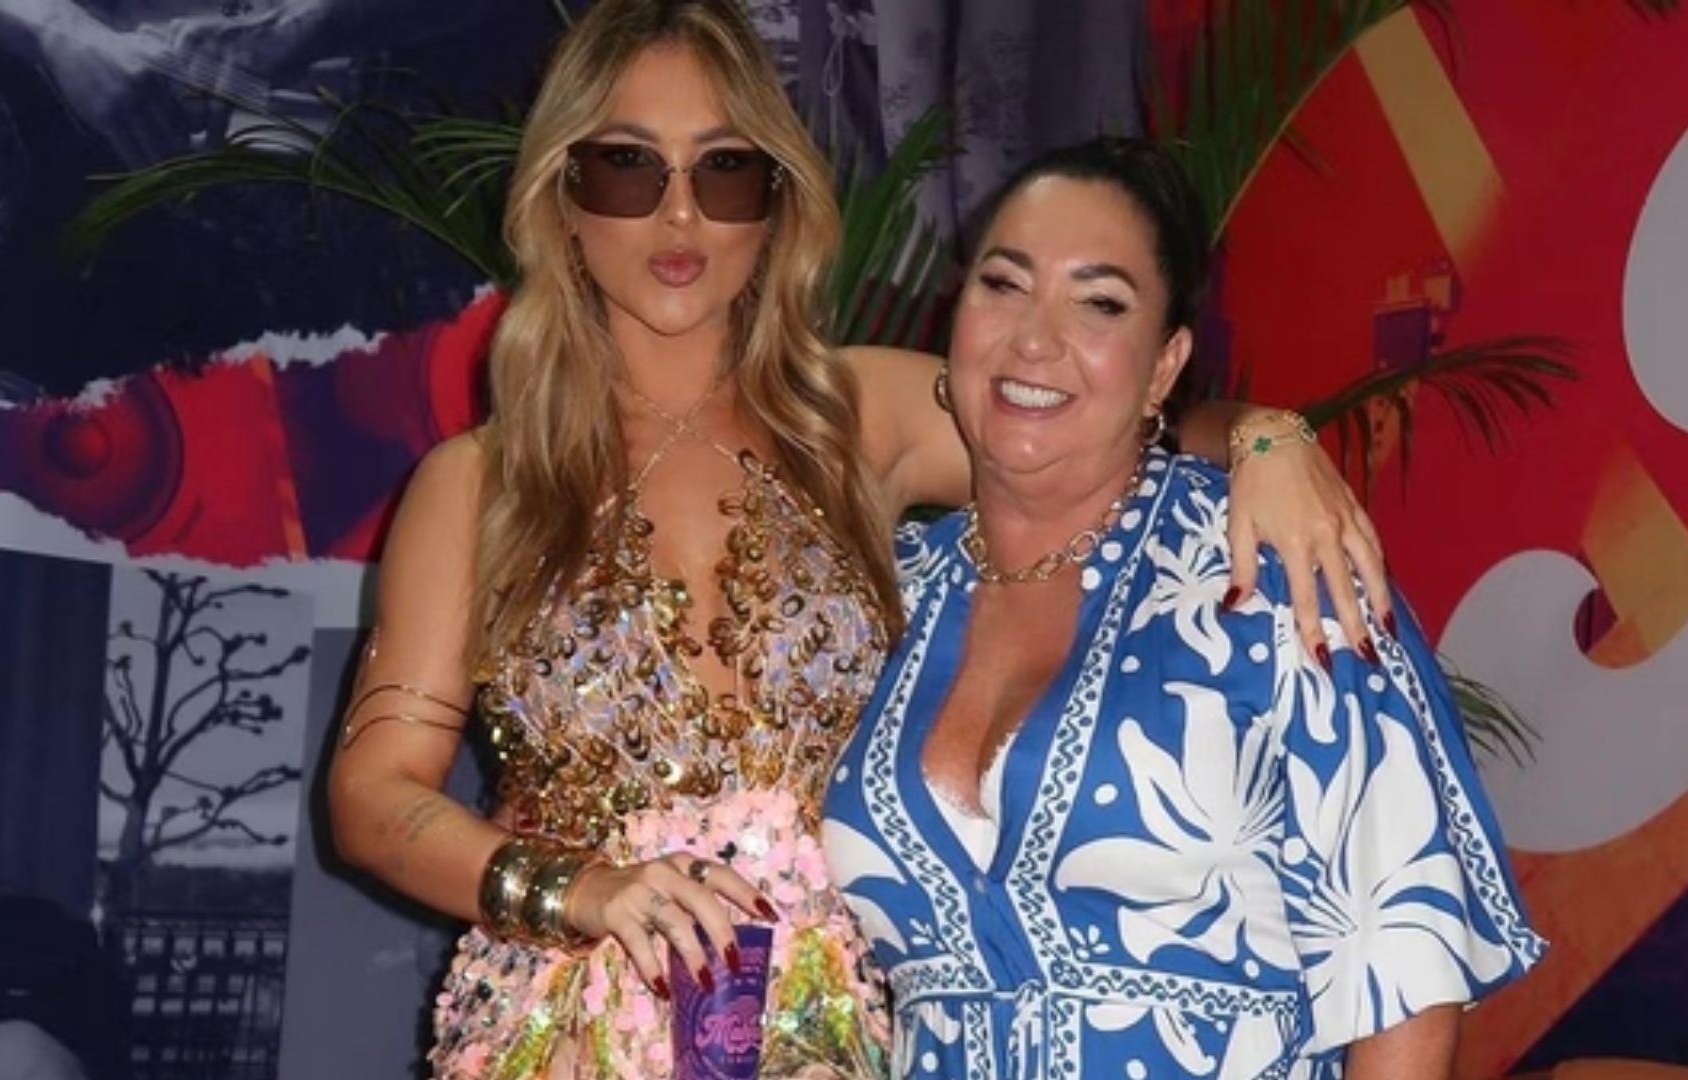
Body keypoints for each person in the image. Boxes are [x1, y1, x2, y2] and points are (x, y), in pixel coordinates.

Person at [325, 2, 1394, 1077]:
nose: (680, 215)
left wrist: (1268, 437)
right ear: (563, 199)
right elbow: (374, 796)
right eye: (627, 168)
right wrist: (580, 892)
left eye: (726, 170)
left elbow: (1098, 423)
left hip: (829, 1033)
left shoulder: (850, 420)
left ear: (776, 200)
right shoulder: (480, 483)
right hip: (568, 1025)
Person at [820, 137, 1546, 1079]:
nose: (1034, 337)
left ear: (1164, 367)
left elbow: (1402, 972)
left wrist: (1264, 433)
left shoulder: (1270, 571)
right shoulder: (880, 606)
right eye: (1003, 284)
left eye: (1099, 303)